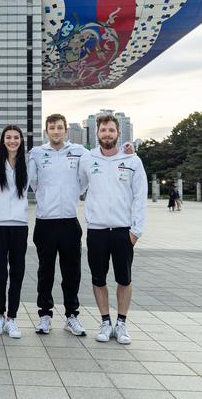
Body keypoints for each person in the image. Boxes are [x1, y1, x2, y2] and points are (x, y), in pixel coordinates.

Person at [79, 114, 147, 345]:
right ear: (96, 133)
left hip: (122, 231)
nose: (107, 134)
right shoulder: (88, 159)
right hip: (97, 230)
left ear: (118, 133)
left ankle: (122, 323)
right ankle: (105, 322)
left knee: (124, 280)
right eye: (103, 130)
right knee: (98, 279)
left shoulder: (132, 160)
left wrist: (136, 230)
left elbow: (140, 196)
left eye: (111, 130)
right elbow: (76, 186)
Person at [28, 114, 89, 336]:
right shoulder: (36, 153)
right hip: (45, 222)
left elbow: (85, 180)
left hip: (69, 222)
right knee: (46, 271)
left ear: (65, 130)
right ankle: (44, 314)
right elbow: (33, 181)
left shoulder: (79, 151)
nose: (56, 131)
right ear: (47, 131)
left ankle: (72, 316)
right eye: (52, 128)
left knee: (71, 272)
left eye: (59, 128)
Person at [0, 125, 31, 339]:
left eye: (16, 138)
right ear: (3, 141)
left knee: (17, 273)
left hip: (20, 225)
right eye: (9, 137)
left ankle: (12, 318)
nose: (12, 141)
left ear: (21, 140)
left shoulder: (29, 163)